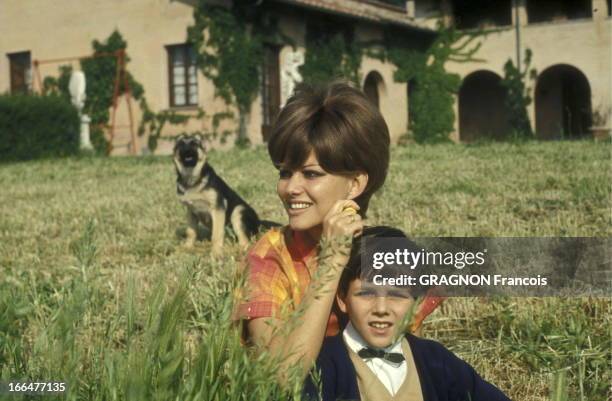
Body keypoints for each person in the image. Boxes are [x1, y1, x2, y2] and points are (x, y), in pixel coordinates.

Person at [233, 82, 438, 382]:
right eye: (284, 172)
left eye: (311, 174)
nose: (290, 188)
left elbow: (405, 362)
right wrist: (332, 264)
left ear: (355, 184)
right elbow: (279, 375)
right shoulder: (269, 258)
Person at [303, 226, 511, 401]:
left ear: (416, 302)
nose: (381, 309)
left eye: (397, 295)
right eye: (366, 294)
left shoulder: (435, 360)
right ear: (342, 299)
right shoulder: (322, 366)